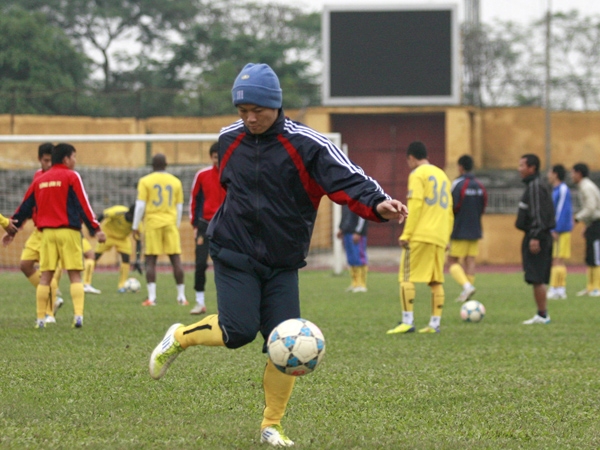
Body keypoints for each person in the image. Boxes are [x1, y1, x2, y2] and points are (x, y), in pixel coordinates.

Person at [147, 62, 408, 447]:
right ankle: (180, 336)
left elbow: (348, 177)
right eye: (242, 112)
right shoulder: (228, 138)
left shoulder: (308, 144)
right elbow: (229, 186)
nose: (250, 119)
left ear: (277, 105)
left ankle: (272, 425)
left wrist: (378, 202)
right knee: (237, 332)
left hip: (283, 259)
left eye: (258, 111)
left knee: (283, 341)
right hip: (234, 249)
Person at [12, 143, 106, 328]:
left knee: (46, 276)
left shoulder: (41, 179)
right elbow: (83, 204)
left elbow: (25, 205)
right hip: (69, 232)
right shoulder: (71, 176)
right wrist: (95, 228)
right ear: (66, 159)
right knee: (74, 276)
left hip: (46, 233)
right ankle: (78, 316)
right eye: (74, 157)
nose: (75, 161)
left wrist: (12, 227)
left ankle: (40, 319)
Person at [386, 141, 453, 335]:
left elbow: (414, 205)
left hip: (421, 234)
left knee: (406, 277)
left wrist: (407, 233)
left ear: (411, 158)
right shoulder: (443, 175)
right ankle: (434, 324)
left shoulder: (417, 174)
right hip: (439, 236)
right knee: (436, 280)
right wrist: (446, 236)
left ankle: (408, 321)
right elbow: (449, 210)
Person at [2, 143, 64, 323]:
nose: (49, 164)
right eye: (46, 161)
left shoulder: (63, 177)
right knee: (25, 264)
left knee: (48, 272)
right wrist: (15, 227)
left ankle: (50, 313)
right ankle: (54, 297)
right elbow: (28, 203)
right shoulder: (38, 177)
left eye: (52, 161)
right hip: (39, 231)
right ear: (39, 160)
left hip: (55, 231)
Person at [132, 153, 187, 306]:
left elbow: (141, 205)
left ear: (152, 166)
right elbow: (179, 206)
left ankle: (152, 298)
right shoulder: (175, 181)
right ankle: (182, 297)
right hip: (170, 223)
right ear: (166, 165)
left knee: (150, 260)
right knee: (176, 259)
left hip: (152, 223)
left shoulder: (145, 181)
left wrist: (135, 226)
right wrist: (175, 224)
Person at [516, 154, 555, 324]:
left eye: (522, 165)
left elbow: (538, 215)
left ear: (532, 168)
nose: (519, 169)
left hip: (536, 237)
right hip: (537, 235)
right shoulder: (535, 185)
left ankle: (542, 315)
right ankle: (541, 313)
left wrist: (535, 237)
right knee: (535, 278)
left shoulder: (535, 187)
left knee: (537, 277)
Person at [188, 142, 226, 314]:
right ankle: (199, 301)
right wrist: (195, 224)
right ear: (211, 157)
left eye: (221, 156)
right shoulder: (202, 175)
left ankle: (227, 303)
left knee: (227, 263)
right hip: (205, 225)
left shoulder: (232, 173)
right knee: (201, 263)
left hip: (227, 224)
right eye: (216, 157)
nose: (218, 160)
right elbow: (194, 200)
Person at [447, 155, 487, 302]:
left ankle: (466, 287)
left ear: (460, 167)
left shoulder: (458, 184)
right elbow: (483, 206)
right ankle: (467, 291)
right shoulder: (480, 185)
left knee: (452, 261)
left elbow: (451, 206)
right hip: (475, 228)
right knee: (470, 260)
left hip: (459, 229)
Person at [94, 204, 138, 292]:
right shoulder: (118, 211)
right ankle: (85, 282)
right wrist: (95, 230)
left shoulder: (137, 221)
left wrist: (138, 258)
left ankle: (122, 285)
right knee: (95, 256)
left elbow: (138, 240)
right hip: (108, 235)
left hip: (122, 239)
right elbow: (103, 215)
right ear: (130, 214)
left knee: (126, 258)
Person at [571, 163, 600, 297]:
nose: (571, 176)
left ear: (579, 173)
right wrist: (587, 226)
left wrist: (577, 218)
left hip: (597, 223)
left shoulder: (586, 187)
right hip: (592, 224)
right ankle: (590, 287)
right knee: (589, 256)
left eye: (573, 172)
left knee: (596, 256)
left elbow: (591, 208)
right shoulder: (584, 186)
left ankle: (597, 287)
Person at [546, 164, 573, 300]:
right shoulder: (556, 190)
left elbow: (562, 210)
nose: (548, 175)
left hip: (560, 230)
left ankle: (557, 289)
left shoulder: (562, 189)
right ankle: (558, 289)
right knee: (556, 259)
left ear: (555, 174)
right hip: (558, 229)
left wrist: (555, 228)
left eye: (550, 172)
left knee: (558, 260)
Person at [336, 204, 369, 292]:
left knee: (359, 257)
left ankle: (362, 284)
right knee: (351, 259)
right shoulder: (346, 201)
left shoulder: (360, 199)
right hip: (347, 233)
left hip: (357, 234)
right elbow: (345, 215)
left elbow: (363, 217)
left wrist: (358, 232)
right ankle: (354, 283)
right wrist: (341, 228)